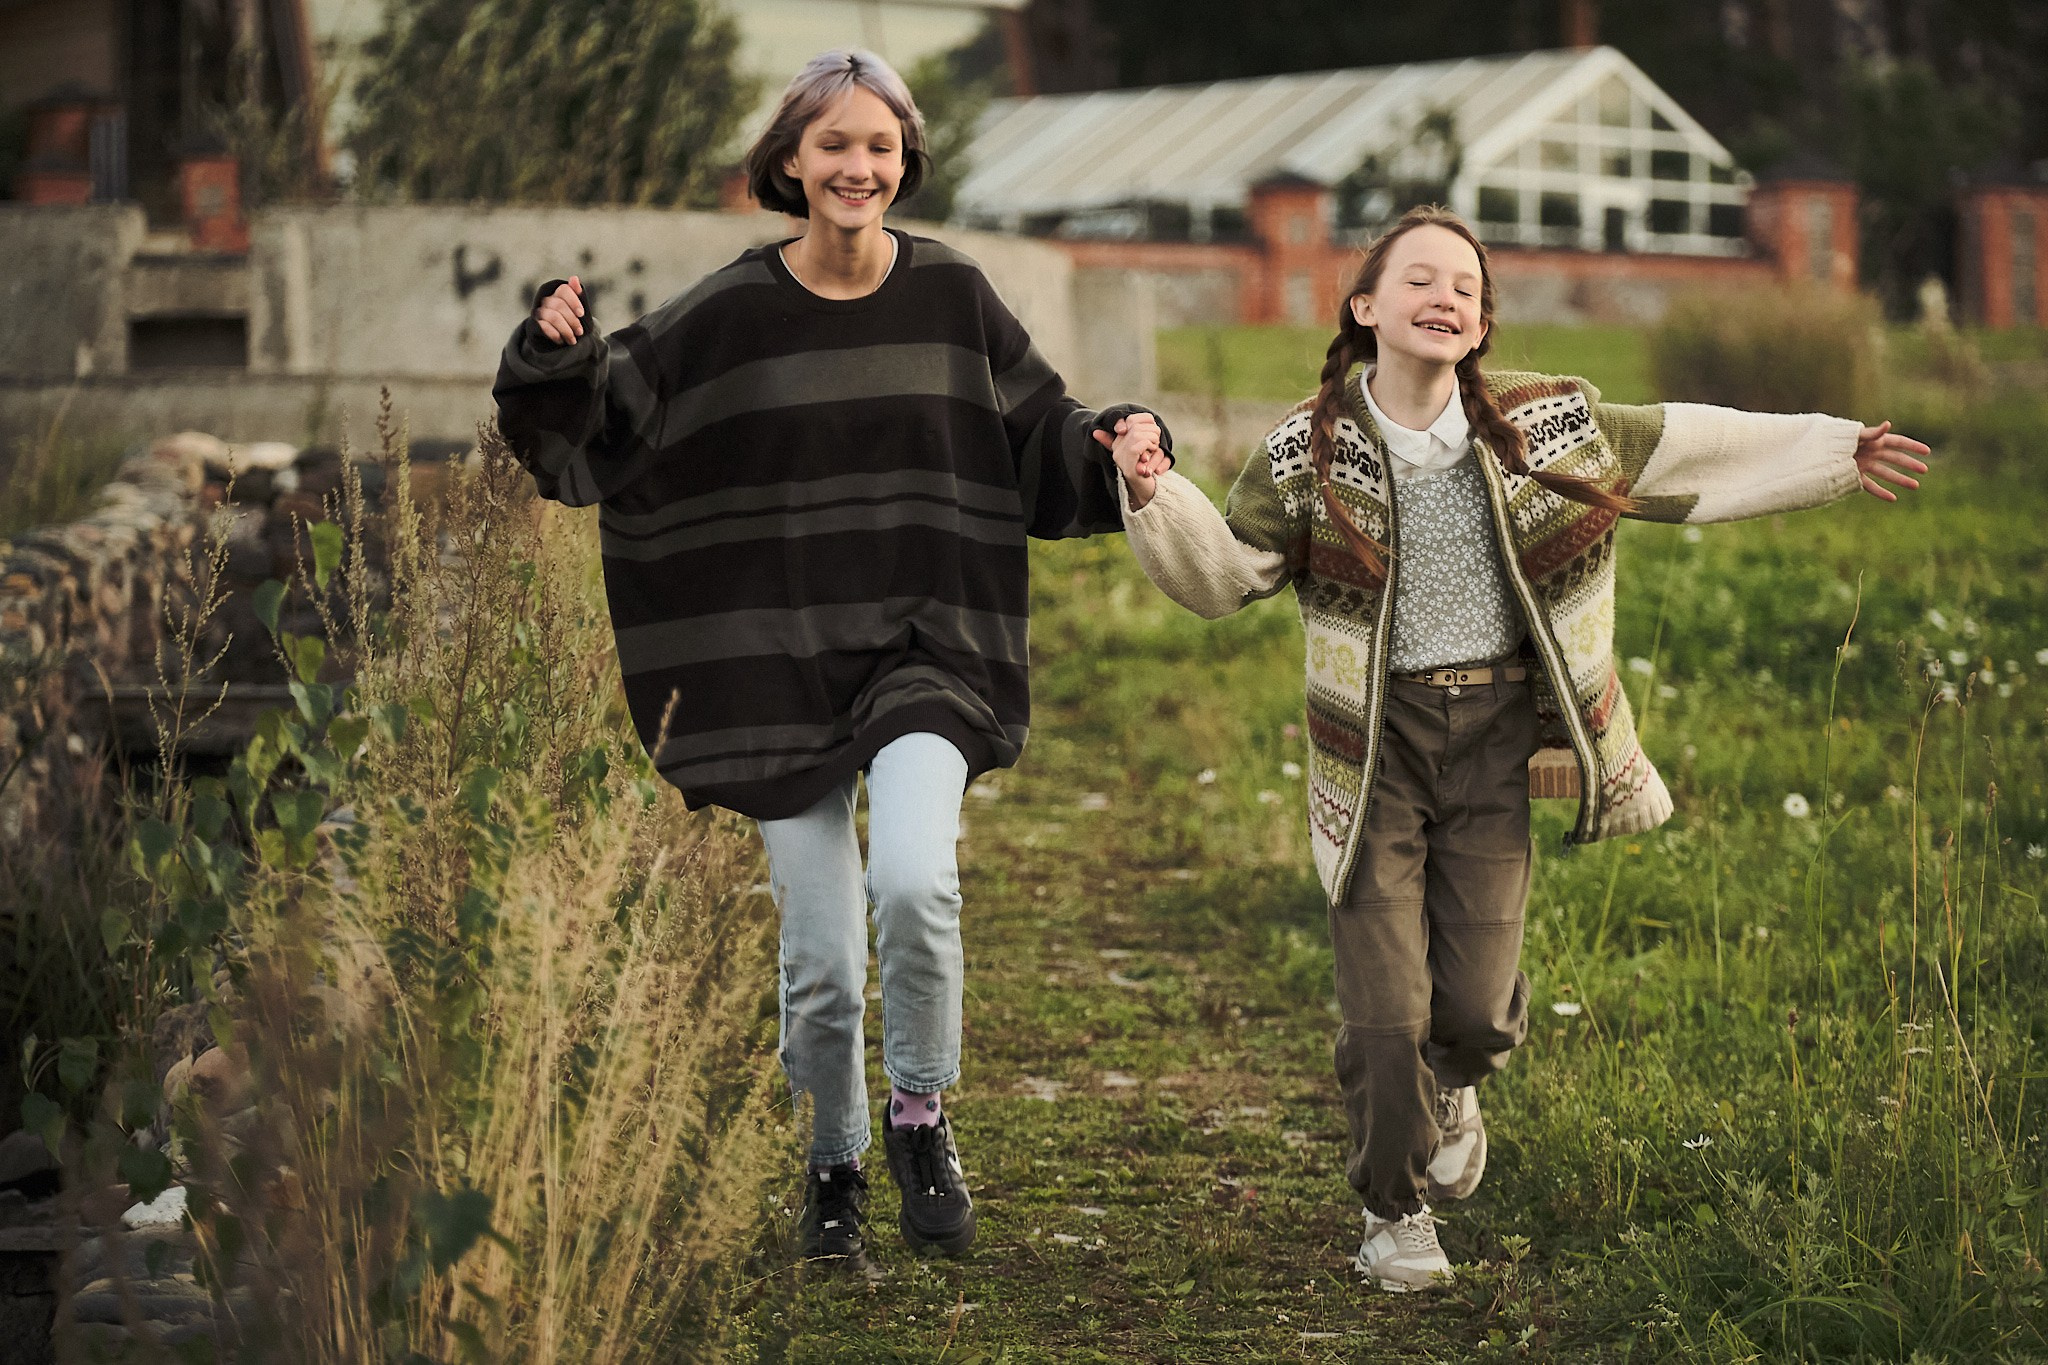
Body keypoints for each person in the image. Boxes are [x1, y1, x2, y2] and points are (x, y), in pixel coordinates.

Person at [1104, 204, 1927, 1292]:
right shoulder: (1306, 451)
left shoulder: (1548, 428)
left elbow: (1687, 443)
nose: (1447, 298)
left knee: (1478, 1016)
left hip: (1495, 742)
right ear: (1365, 309)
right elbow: (1222, 576)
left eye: (1466, 287)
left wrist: (1830, 450)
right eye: (1420, 281)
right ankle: (1392, 1212)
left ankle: (1457, 1086)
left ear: (1483, 322)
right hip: (1373, 752)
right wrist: (1153, 491)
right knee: (1384, 1014)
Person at [492, 48, 1172, 1271]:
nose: (858, 166)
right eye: (834, 145)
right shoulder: (734, 309)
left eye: (879, 145)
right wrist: (552, 349)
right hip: (774, 654)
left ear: (904, 160)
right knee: (817, 966)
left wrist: (1119, 440)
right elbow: (603, 420)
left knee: (914, 882)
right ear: (789, 164)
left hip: (927, 646)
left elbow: (1037, 431)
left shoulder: (955, 295)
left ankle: (917, 1112)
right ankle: (833, 1161)